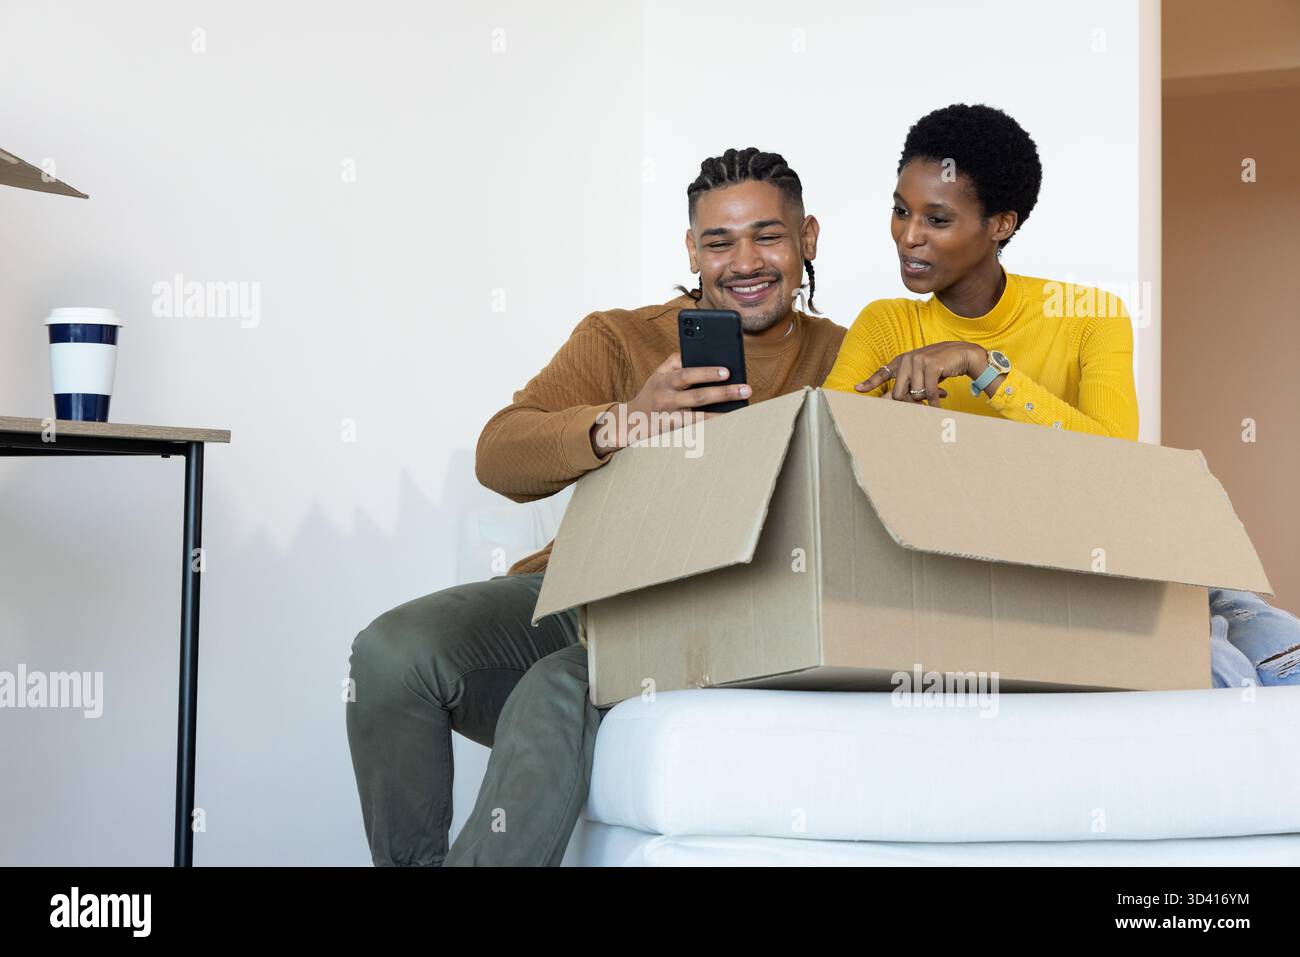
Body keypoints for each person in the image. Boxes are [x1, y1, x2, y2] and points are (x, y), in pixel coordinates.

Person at [345, 147, 847, 866]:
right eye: (719, 242)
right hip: (582, 593)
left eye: (767, 236)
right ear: (692, 251)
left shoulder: (847, 360)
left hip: (716, 618)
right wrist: (623, 421)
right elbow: (498, 453)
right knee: (391, 653)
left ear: (808, 238)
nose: (745, 262)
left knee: (556, 685)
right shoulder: (621, 338)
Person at [823, 102, 1298, 688]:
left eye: (937, 220)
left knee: (1282, 662)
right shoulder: (886, 325)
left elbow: (1113, 459)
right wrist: (894, 428)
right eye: (901, 211)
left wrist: (984, 368)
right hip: (1005, 579)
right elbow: (828, 457)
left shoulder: (1089, 316)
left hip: (1115, 561)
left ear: (1001, 224)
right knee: (1216, 674)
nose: (908, 236)